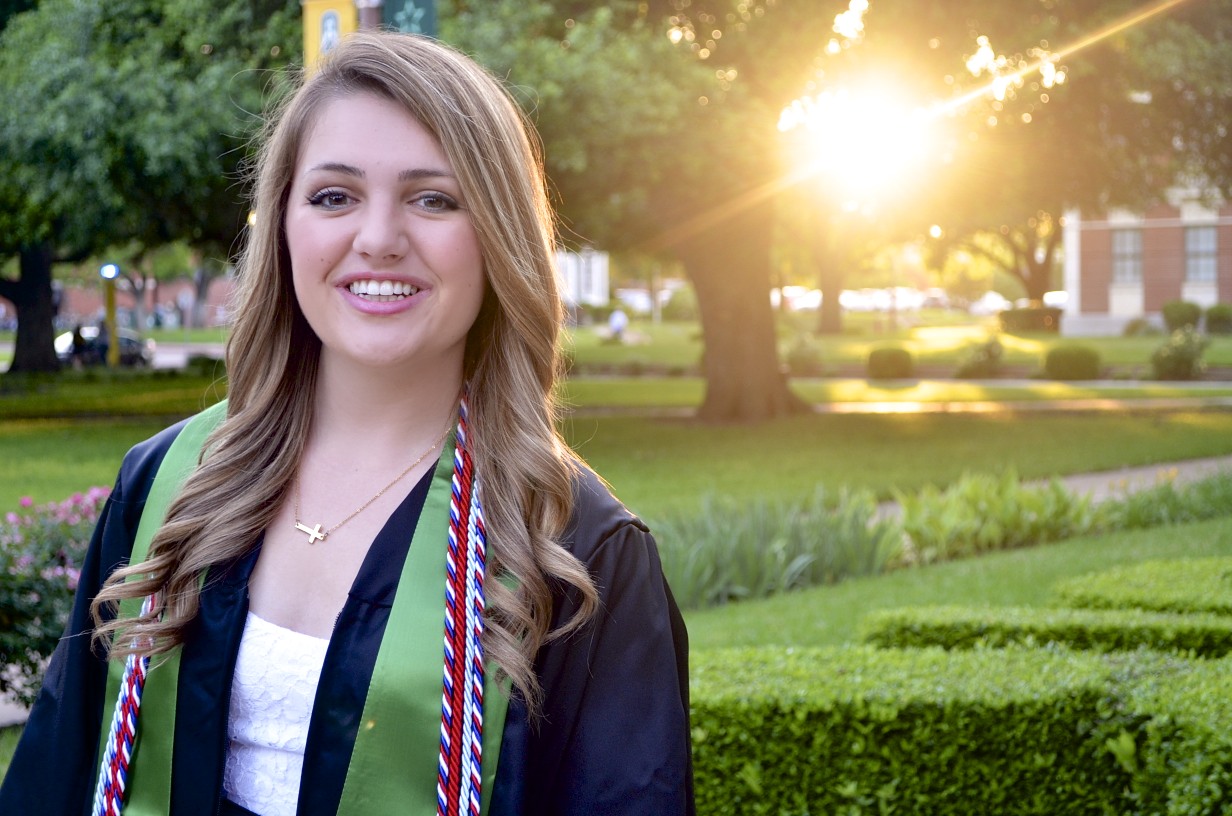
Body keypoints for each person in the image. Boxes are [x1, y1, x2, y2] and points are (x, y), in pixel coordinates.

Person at [0, 32, 692, 816]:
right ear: (283, 225)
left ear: (498, 234)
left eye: (434, 199)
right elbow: (56, 778)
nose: (378, 239)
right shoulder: (170, 485)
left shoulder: (573, 551)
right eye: (334, 196)